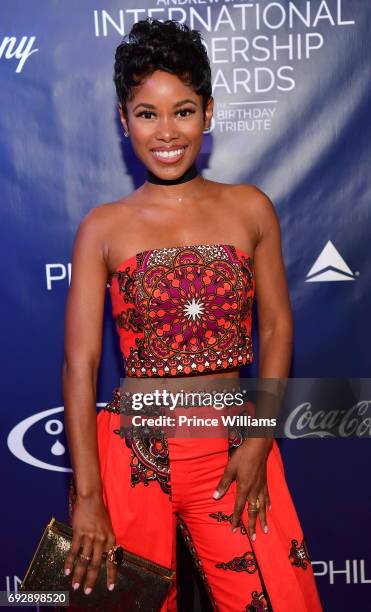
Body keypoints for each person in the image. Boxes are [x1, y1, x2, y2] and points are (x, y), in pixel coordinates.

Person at [62, 17, 323, 612]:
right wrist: (88, 495)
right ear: (123, 121)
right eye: (146, 113)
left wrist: (258, 440)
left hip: (232, 447)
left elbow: (279, 327)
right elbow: (81, 365)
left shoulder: (249, 208)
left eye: (182, 110)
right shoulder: (102, 227)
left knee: (282, 600)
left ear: (208, 113)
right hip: (132, 454)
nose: (165, 131)